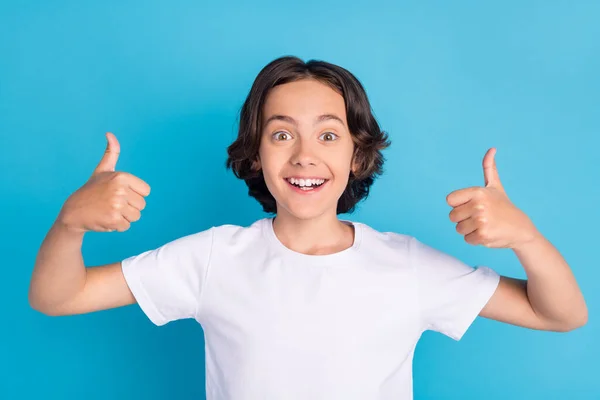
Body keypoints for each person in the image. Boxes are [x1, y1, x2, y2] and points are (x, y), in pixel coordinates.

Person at [29, 56, 588, 400]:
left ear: (357, 154)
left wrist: (526, 239)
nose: (303, 155)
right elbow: (58, 297)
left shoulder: (408, 265)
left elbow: (561, 313)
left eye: (327, 134)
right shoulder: (211, 258)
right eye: (280, 134)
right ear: (254, 156)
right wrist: (69, 223)